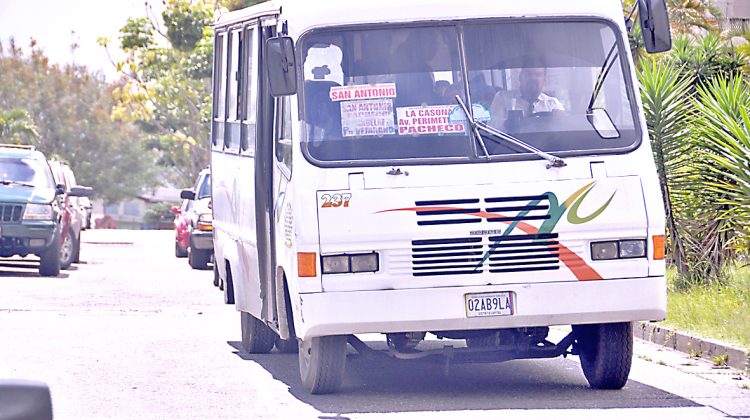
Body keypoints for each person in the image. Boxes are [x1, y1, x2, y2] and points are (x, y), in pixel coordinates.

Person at [489, 67, 564, 130]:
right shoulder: (502, 98)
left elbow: (565, 127)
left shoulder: (553, 104)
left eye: (538, 75)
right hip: (509, 146)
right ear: (520, 77)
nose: (533, 78)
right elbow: (490, 127)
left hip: (546, 146)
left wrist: (560, 119)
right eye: (528, 74)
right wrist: (507, 124)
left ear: (544, 80)